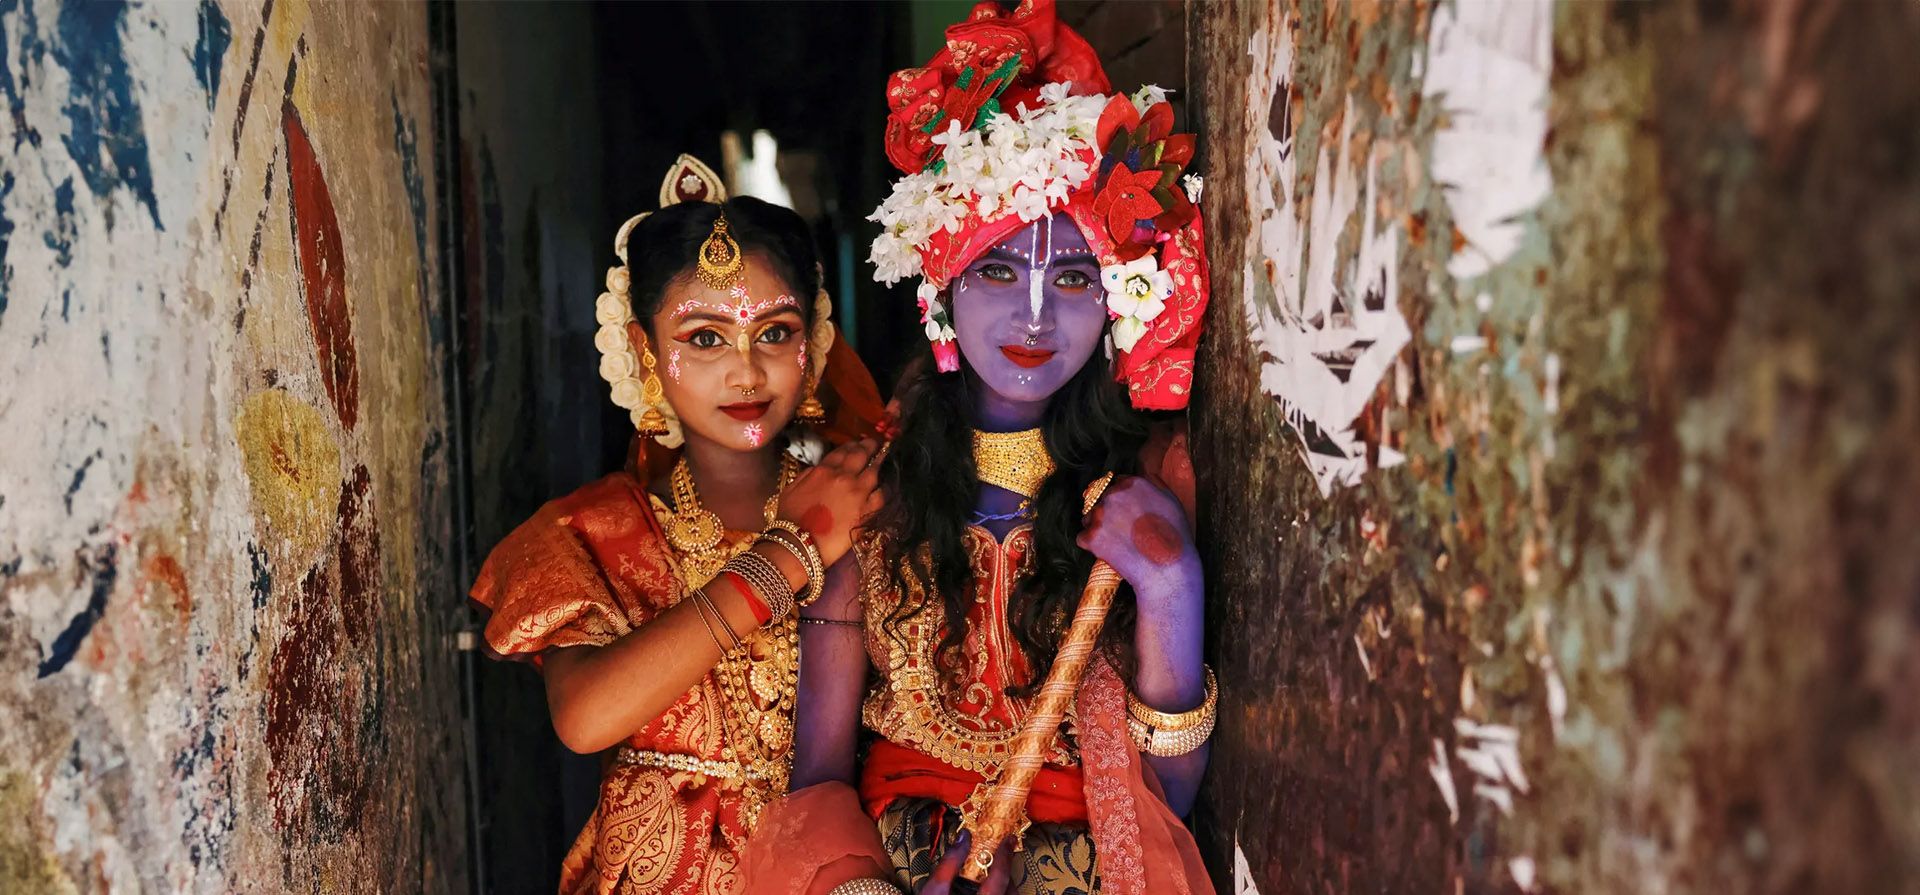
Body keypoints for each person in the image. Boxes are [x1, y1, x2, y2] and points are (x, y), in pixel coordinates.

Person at [743, 3, 1217, 893]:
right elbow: (817, 780)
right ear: (941, 295)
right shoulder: (867, 501)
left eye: (1074, 278)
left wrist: (1171, 585)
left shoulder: (1142, 492)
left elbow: (1168, 803)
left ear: (1119, 302)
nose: (1035, 316)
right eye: (998, 270)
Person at [470, 155, 885, 895]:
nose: (746, 371)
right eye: (704, 337)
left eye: (775, 331)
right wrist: (786, 556)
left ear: (813, 345)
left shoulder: (866, 510)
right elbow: (585, 716)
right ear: (644, 352)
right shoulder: (590, 531)